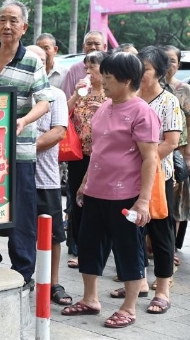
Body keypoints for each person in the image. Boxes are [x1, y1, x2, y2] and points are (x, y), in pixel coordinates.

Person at [62, 52, 160, 329]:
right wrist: (84, 183)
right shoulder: (105, 107)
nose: (102, 82)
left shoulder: (142, 112)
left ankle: (129, 307)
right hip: (96, 191)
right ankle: (90, 299)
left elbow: (151, 158)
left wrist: (143, 201)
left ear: (127, 80)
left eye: (108, 78)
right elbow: (98, 151)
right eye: (101, 76)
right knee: (89, 245)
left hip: (126, 195)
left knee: (128, 249)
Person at [0, 0, 53, 289]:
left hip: (19, 152)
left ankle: (23, 273)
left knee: (20, 214)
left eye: (13, 21)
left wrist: (23, 120)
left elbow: (44, 102)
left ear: (24, 27)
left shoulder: (32, 60)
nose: (7, 26)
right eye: (2, 20)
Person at [128, 46, 181, 313]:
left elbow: (171, 142)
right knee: (133, 233)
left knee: (160, 236)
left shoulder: (168, 101)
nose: (140, 74)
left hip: (159, 178)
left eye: (145, 69)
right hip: (128, 179)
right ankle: (138, 283)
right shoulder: (130, 97)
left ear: (159, 73)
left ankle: (162, 289)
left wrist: (141, 163)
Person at [27, 45, 70, 305]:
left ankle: (54, 282)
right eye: (33, 61)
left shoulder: (56, 95)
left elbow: (58, 133)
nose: (38, 66)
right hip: (16, 177)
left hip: (46, 178)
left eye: (43, 61)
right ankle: (25, 276)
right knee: (22, 232)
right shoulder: (19, 94)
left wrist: (24, 149)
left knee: (53, 234)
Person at [65, 51, 108, 270]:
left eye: (94, 67)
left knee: (100, 205)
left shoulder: (112, 95)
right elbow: (64, 113)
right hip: (79, 156)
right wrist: (75, 94)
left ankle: (101, 250)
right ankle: (82, 251)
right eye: (87, 68)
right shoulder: (83, 91)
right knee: (79, 203)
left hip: (103, 159)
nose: (89, 72)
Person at [162, 45, 190, 252]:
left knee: (177, 204)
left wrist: (187, 155)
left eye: (172, 60)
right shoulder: (149, 87)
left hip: (178, 153)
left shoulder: (184, 90)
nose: (168, 64)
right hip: (157, 152)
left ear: (178, 64)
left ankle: (170, 250)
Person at [61, 31, 107, 99]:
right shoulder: (75, 69)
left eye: (97, 44)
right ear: (83, 46)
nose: (93, 47)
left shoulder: (112, 68)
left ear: (104, 46)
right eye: (89, 44)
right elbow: (66, 98)